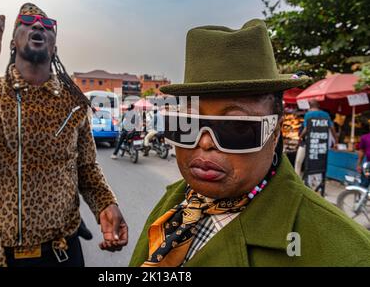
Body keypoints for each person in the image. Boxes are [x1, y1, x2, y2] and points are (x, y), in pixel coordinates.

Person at [129, 19, 370, 267]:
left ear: (275, 131)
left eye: (236, 126)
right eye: (186, 124)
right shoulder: (177, 199)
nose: (204, 142)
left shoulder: (348, 255)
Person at [0, 3, 128, 267]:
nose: (38, 25)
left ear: (54, 47)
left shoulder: (73, 101)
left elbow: (86, 167)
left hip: (61, 253)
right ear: (13, 41)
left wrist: (106, 205)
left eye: (47, 24)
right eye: (27, 21)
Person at [295, 100, 338, 178]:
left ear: (309, 106)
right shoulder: (325, 114)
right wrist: (336, 141)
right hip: (320, 142)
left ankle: (297, 178)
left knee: (298, 161)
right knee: (316, 162)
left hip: (308, 141)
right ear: (318, 105)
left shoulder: (308, 114)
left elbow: (306, 128)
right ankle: (315, 179)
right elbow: (332, 128)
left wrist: (300, 137)